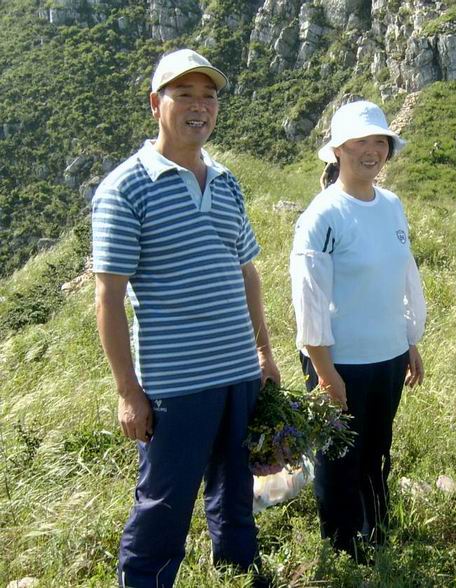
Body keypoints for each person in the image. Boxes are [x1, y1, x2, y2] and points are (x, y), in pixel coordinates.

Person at [92, 48, 280, 587]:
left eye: (209, 96)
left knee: (236, 489)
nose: (200, 106)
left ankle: (240, 572)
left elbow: (247, 273)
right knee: (164, 503)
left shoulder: (226, 182)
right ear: (157, 105)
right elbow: (108, 297)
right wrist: (128, 391)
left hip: (238, 374)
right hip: (176, 384)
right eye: (185, 95)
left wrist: (264, 354)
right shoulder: (125, 188)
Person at [289, 100, 426, 561]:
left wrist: (410, 340)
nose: (371, 151)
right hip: (340, 360)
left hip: (388, 355)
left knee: (377, 447)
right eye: (359, 142)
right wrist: (325, 373)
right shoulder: (323, 216)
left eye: (379, 142)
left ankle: (377, 532)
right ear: (338, 150)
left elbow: (404, 276)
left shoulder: (391, 205)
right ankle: (344, 547)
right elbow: (309, 301)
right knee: (338, 455)